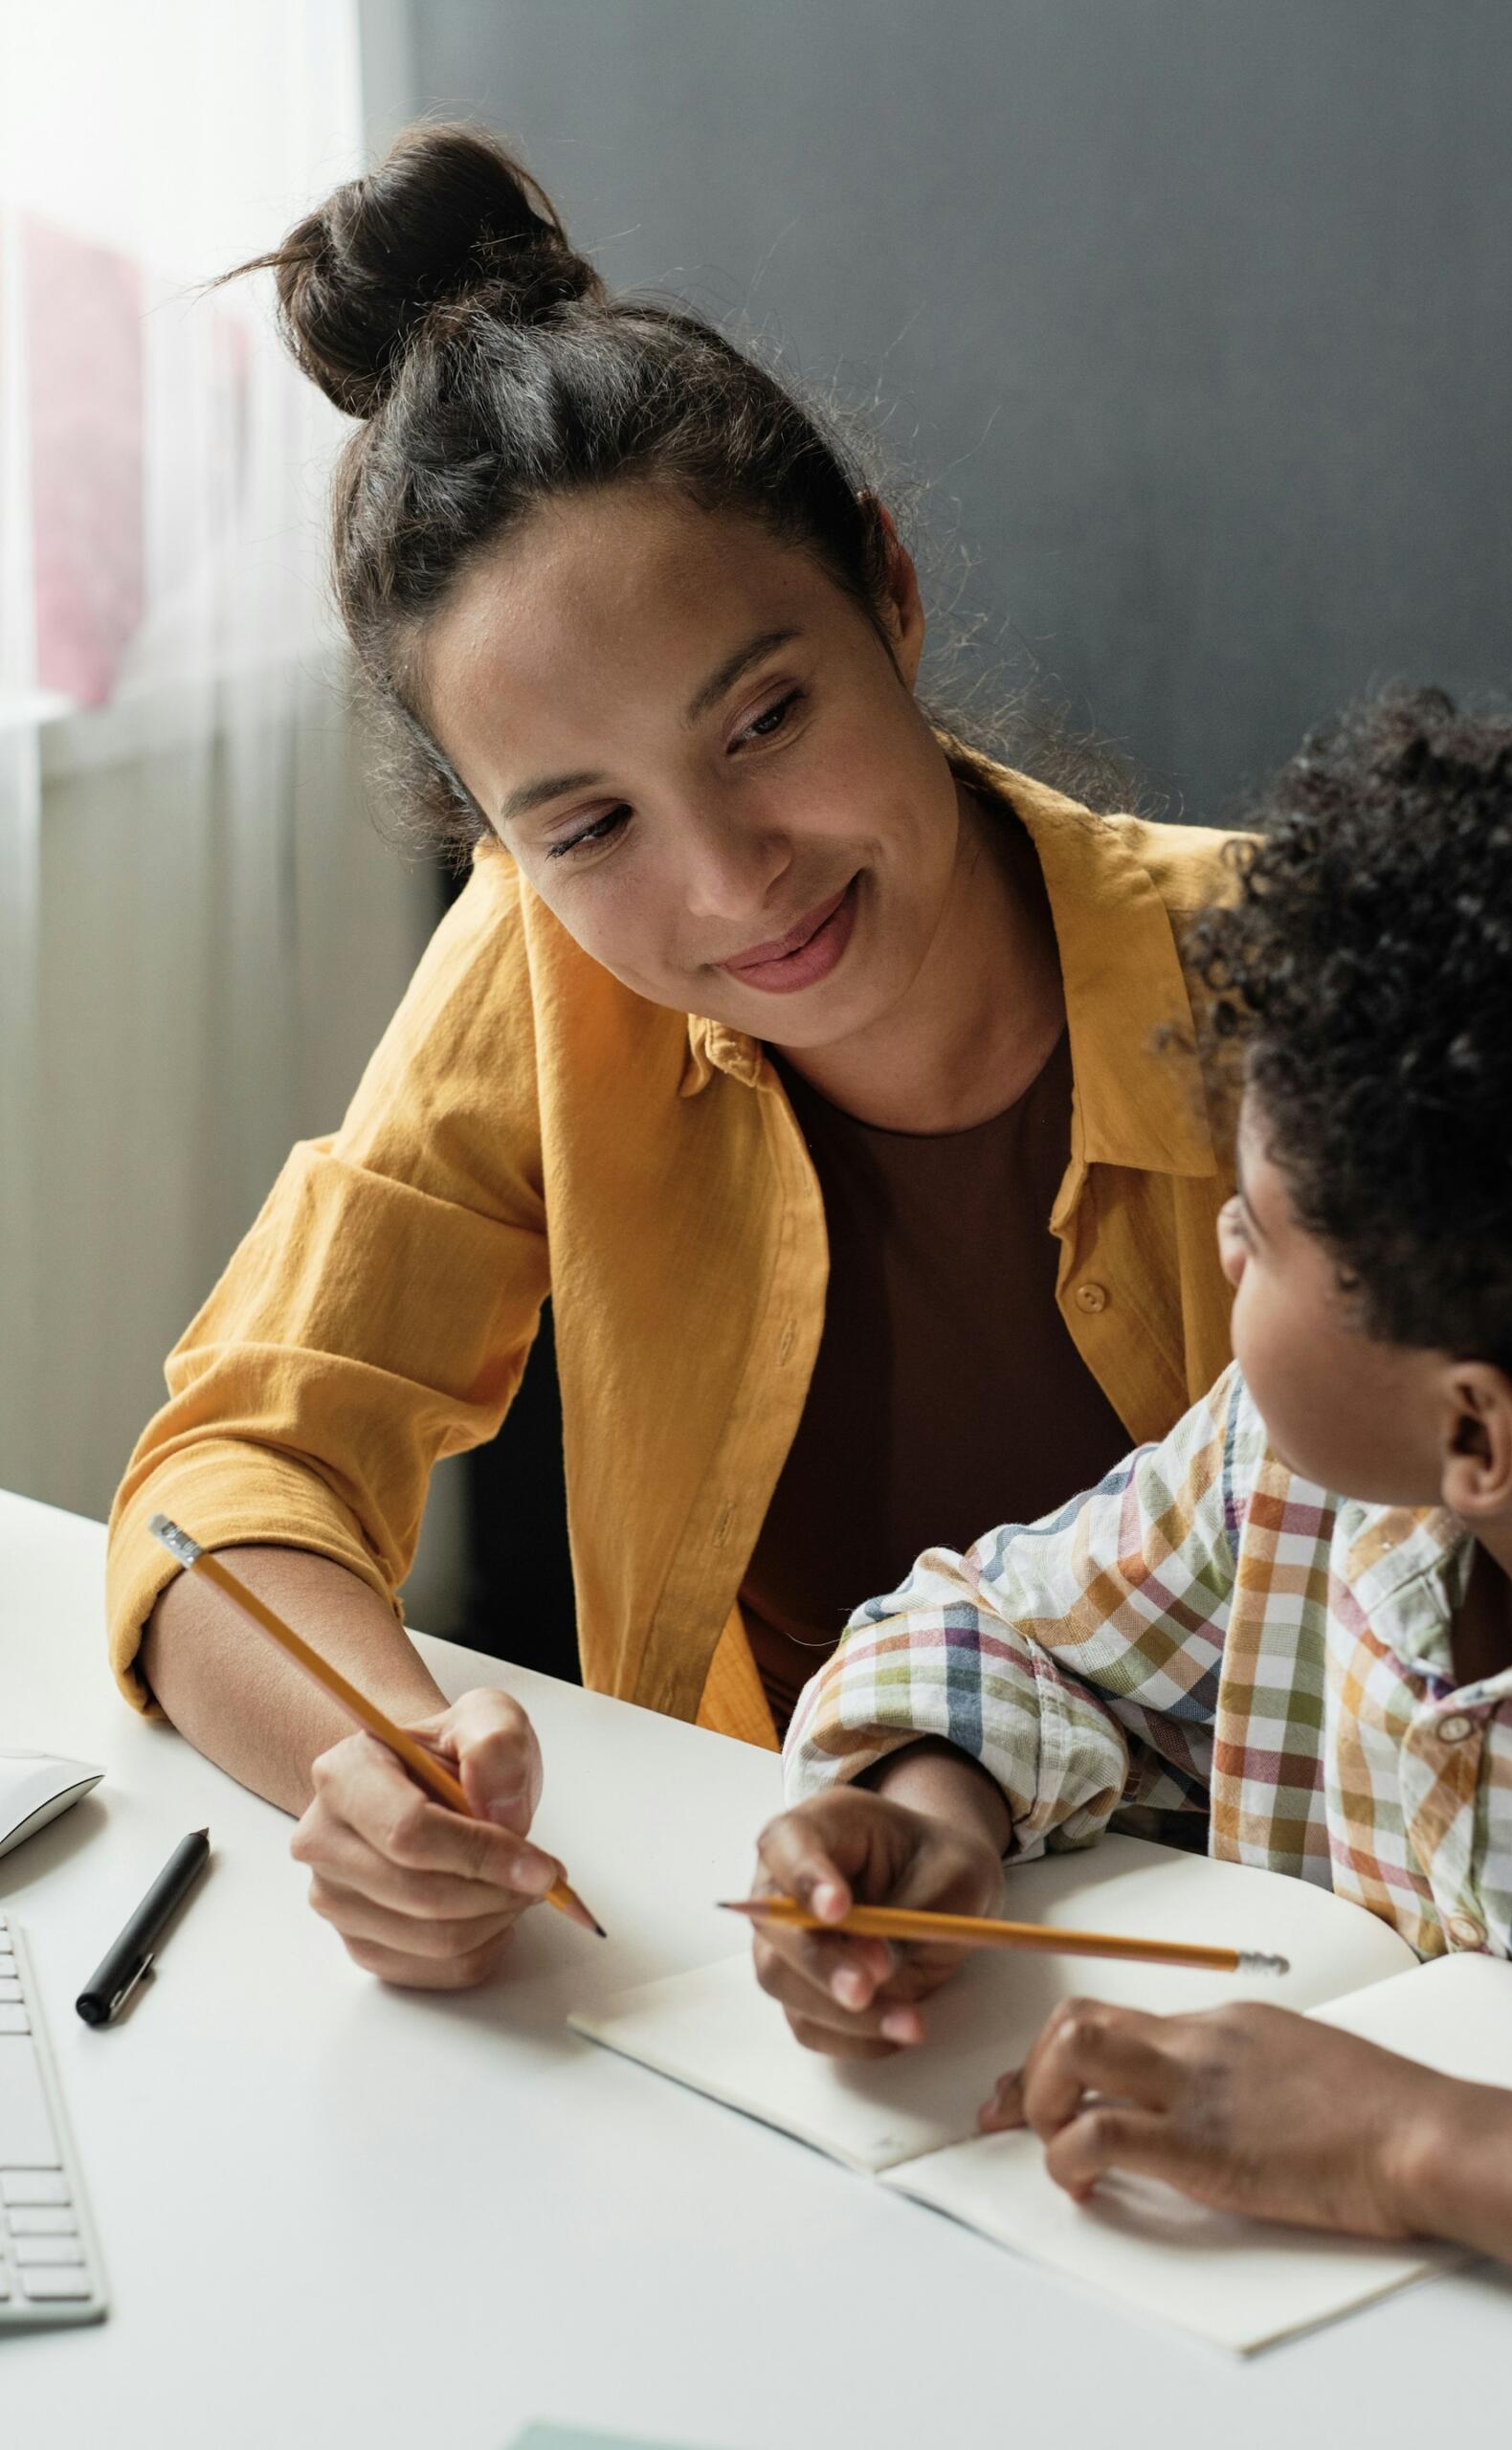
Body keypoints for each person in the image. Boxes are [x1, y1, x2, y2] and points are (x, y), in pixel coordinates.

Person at [104, 125, 1241, 1992]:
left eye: (764, 716)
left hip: (1280, 1979)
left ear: (885, 586)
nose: (728, 880)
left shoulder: (1279, 972)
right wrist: (377, 1766)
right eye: (585, 824)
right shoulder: (549, 965)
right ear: (497, 840)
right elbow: (230, 1465)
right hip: (811, 1962)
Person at [751, 679, 1512, 2367]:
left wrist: (1412, 2144)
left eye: (1274, 1231)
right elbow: (1001, 1628)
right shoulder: (1294, 1481)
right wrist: (933, 1804)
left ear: (1474, 1428)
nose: (1223, 1234)